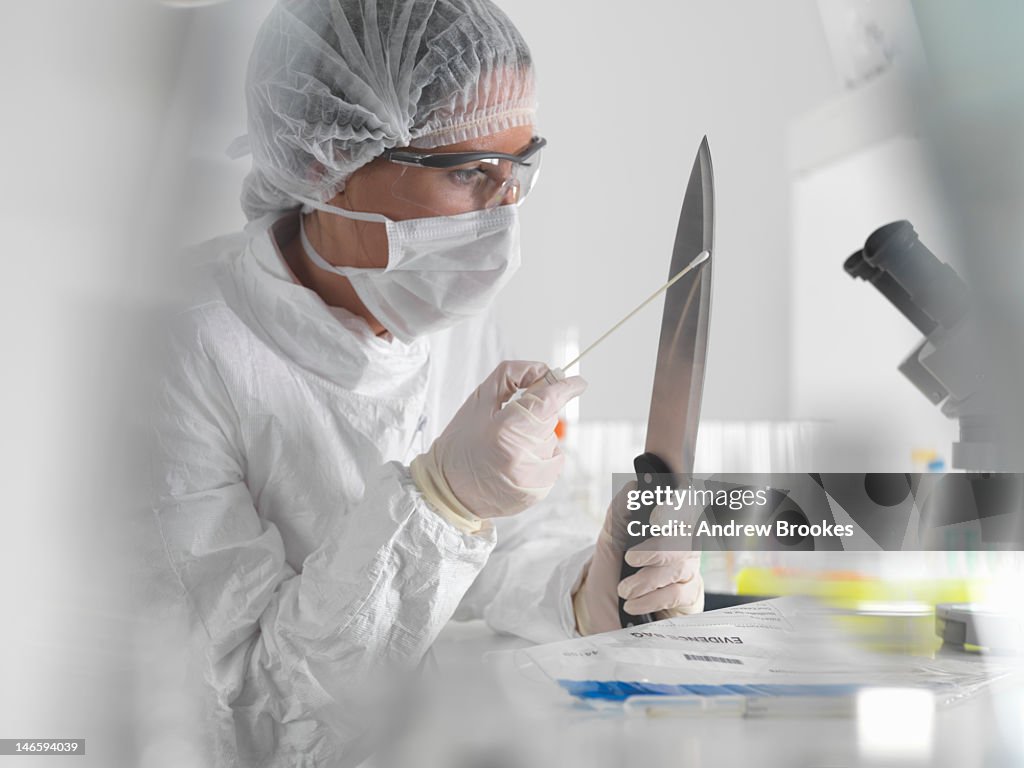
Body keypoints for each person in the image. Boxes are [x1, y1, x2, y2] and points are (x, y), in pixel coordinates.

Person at [145, 0, 704, 764]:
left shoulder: (443, 307)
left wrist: (583, 589)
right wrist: (441, 500)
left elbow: (496, 552)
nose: (506, 211)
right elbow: (251, 712)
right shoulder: (181, 346)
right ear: (323, 166)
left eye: (521, 166)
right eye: (471, 171)